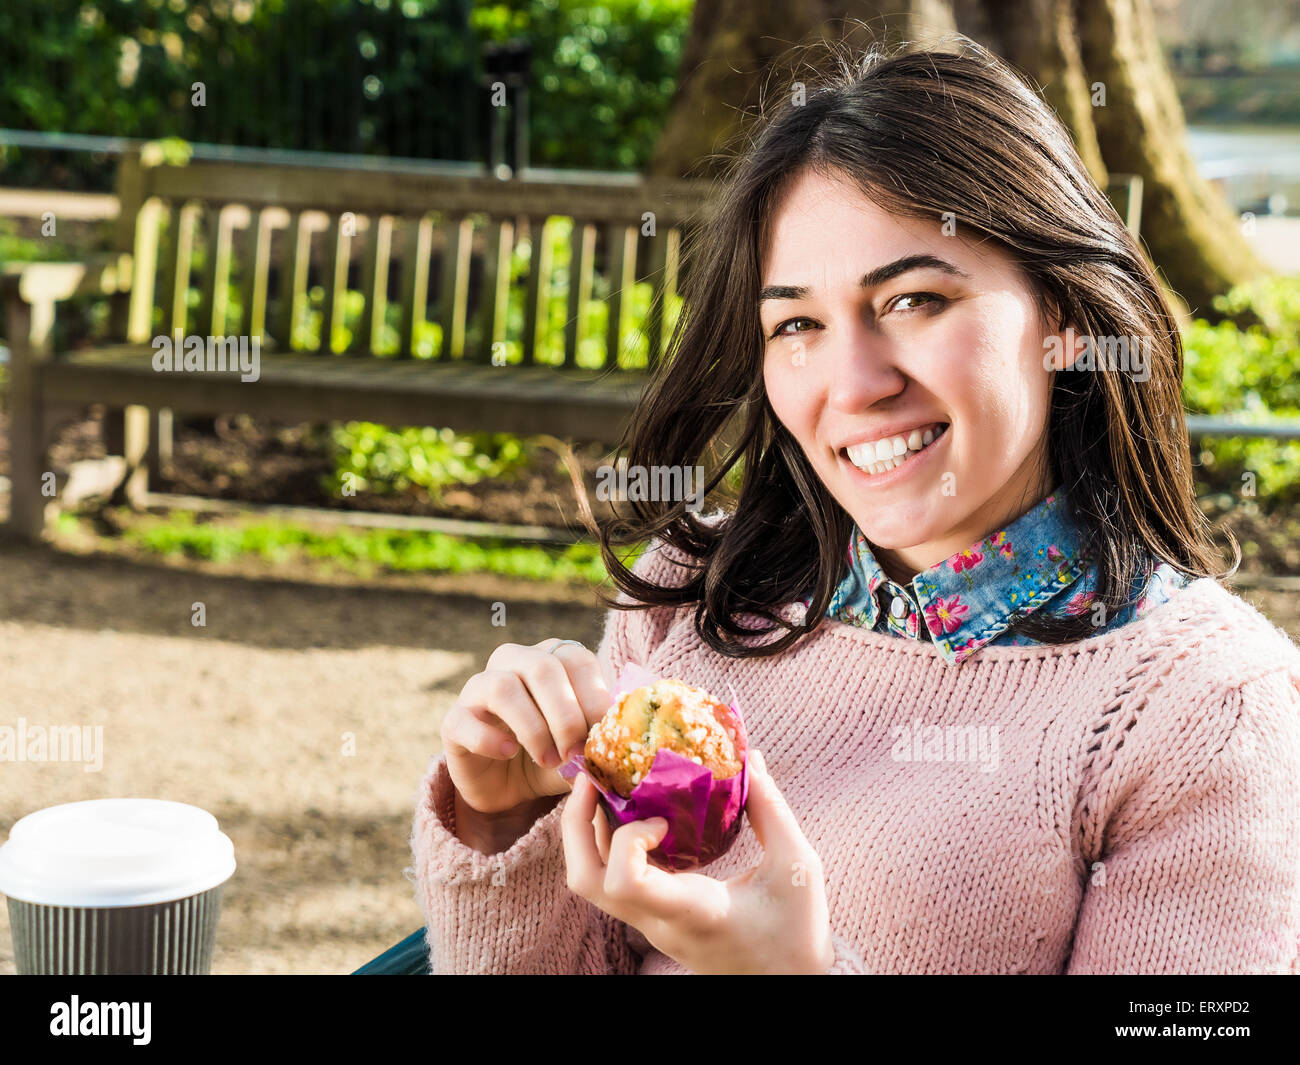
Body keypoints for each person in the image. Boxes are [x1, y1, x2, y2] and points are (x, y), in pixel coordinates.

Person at [408, 37, 1300, 974]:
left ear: (1067, 319)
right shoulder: (695, 588)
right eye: (797, 323)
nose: (855, 383)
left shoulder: (1210, 714)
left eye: (915, 300)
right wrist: (509, 814)